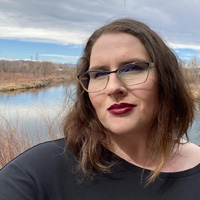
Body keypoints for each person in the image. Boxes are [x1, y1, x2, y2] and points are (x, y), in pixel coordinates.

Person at [0, 18, 200, 200]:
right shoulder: (37, 172)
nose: (113, 88)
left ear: (166, 79)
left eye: (133, 68)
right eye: (99, 74)